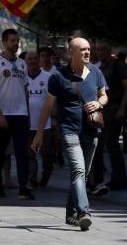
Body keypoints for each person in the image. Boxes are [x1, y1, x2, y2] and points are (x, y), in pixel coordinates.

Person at [32, 37, 107, 231]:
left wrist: (99, 103)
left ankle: (70, 213)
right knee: (78, 171)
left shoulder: (96, 72)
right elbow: (47, 106)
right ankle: (83, 212)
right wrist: (40, 133)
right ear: (71, 52)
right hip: (69, 131)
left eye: (89, 49)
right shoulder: (58, 76)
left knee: (83, 174)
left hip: (91, 130)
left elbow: (104, 94)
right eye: (82, 49)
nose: (87, 52)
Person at [0, 28, 33, 199]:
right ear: (4, 42)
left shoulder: (22, 63)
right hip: (3, 114)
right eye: (12, 40)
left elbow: (26, 89)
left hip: (20, 114)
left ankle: (23, 187)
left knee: (22, 151)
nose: (16, 43)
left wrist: (27, 113)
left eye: (17, 40)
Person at [90, 42, 127, 194]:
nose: (99, 52)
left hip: (114, 108)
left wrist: (122, 108)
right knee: (102, 144)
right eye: (97, 49)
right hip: (103, 110)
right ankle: (101, 179)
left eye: (102, 49)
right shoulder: (100, 67)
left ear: (109, 50)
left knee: (111, 143)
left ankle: (119, 179)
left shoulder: (117, 65)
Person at [25, 50, 56, 189]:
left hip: (45, 126)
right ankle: (32, 180)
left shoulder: (49, 77)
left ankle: (45, 177)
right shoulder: (22, 78)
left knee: (47, 155)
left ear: (39, 60)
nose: (32, 61)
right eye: (29, 59)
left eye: (35, 58)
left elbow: (54, 102)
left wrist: (55, 120)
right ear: (25, 61)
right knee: (30, 155)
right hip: (27, 125)